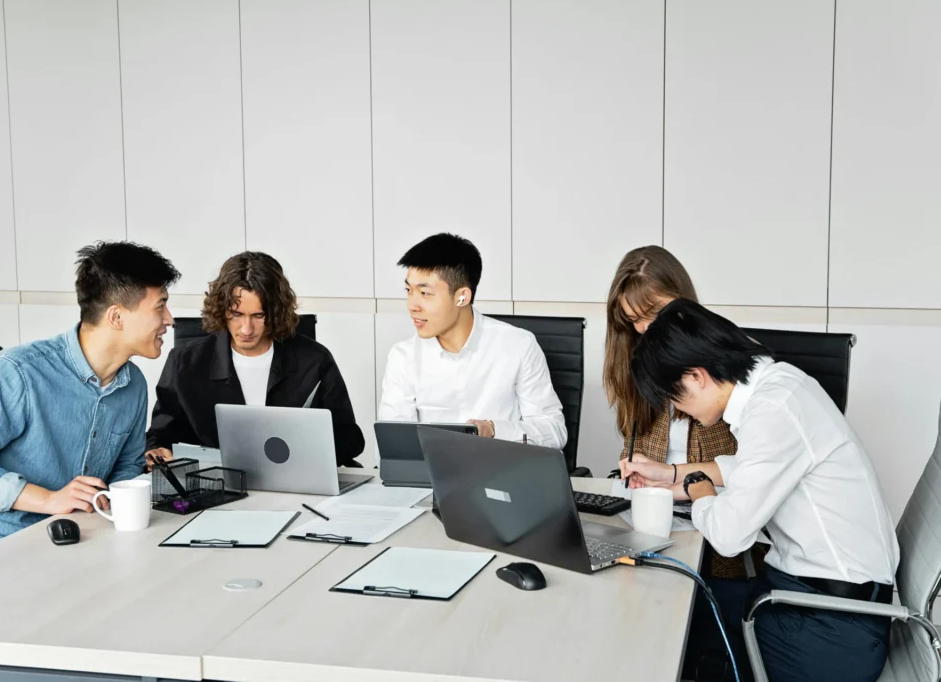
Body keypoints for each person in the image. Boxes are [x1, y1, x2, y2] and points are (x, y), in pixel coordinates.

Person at [621, 299, 898, 682]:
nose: (677, 409)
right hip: (806, 598)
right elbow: (750, 470)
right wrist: (670, 474)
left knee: (667, 638)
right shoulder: (779, 387)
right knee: (669, 600)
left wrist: (697, 488)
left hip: (832, 629)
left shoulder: (774, 409)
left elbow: (729, 536)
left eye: (673, 396)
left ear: (697, 376)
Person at [0, 241, 181, 556]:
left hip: (79, 539)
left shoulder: (132, 385)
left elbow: (125, 466)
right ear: (116, 317)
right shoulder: (18, 372)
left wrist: (122, 494)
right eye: (160, 306)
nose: (170, 319)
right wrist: (49, 500)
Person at [604, 245, 752, 579]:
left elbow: (743, 472)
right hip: (658, 509)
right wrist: (645, 472)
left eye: (652, 314)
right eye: (632, 320)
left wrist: (686, 483)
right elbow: (635, 442)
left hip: (715, 519)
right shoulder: (631, 355)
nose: (643, 329)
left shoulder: (723, 363)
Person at [145, 251, 364, 467]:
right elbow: (160, 434)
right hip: (214, 485)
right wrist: (156, 451)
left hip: (293, 483)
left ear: (276, 312)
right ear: (222, 309)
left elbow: (349, 437)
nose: (246, 329)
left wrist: (307, 452)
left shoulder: (315, 360)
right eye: (236, 314)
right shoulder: (185, 362)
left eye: (259, 316)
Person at [379, 233, 566, 449]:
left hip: (503, 475)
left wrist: (494, 430)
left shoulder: (518, 346)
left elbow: (554, 431)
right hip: (431, 479)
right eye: (409, 290)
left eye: (424, 293)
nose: (412, 305)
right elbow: (392, 445)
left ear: (462, 297)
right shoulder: (403, 357)